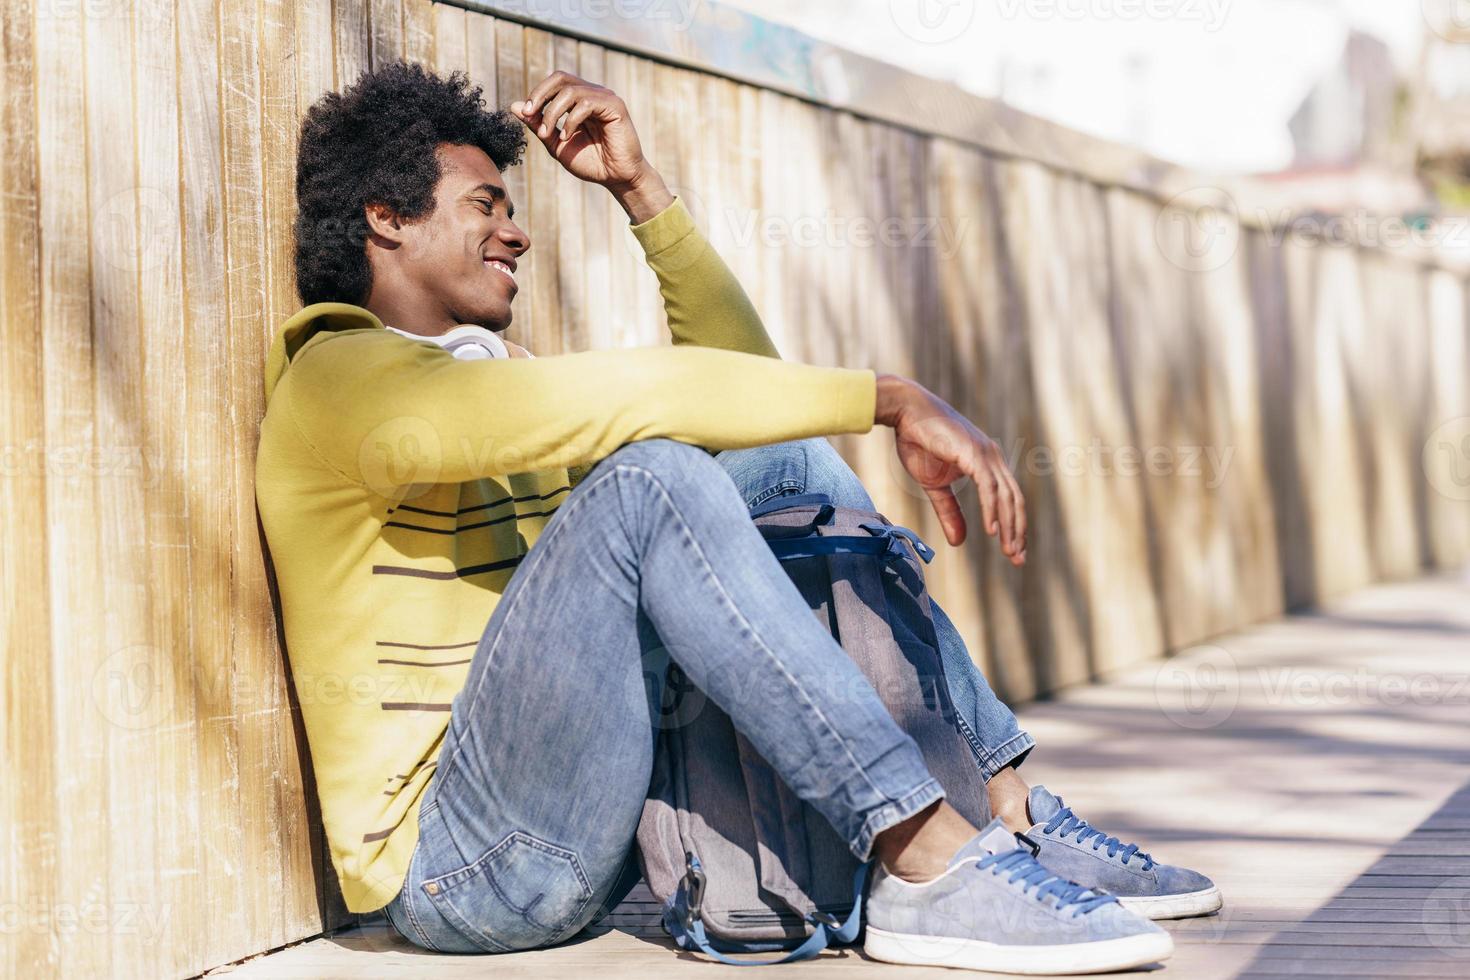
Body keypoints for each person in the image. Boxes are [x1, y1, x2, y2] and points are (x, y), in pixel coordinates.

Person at [257, 62, 1216, 974]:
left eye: (512, 211)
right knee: (652, 479)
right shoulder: (338, 382)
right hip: (461, 872)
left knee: (782, 457)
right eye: (484, 207)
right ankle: (919, 851)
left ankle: (1006, 811)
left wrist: (641, 193)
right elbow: (644, 404)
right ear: (386, 218)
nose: (516, 235)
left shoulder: (489, 379)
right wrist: (885, 396)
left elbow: (748, 389)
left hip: (588, 824)